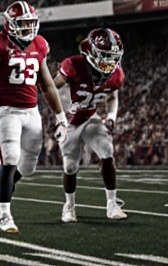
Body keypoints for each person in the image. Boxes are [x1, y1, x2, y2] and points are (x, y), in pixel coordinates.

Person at [0, 1, 68, 234]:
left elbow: (47, 85)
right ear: (9, 25)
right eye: (21, 25)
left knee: (29, 165)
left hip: (32, 111)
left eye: (30, 24)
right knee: (10, 158)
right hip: (5, 111)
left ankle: (6, 187)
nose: (27, 30)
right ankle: (4, 215)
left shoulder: (39, 45)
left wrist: (60, 118)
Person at [56, 28, 127, 222]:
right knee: (70, 166)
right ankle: (69, 207)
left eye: (114, 57)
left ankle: (112, 205)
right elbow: (51, 89)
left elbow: (113, 95)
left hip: (90, 116)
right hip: (69, 122)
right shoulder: (73, 66)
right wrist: (59, 117)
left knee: (107, 151)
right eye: (106, 56)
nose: (110, 62)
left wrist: (111, 116)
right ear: (93, 53)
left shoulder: (116, 74)